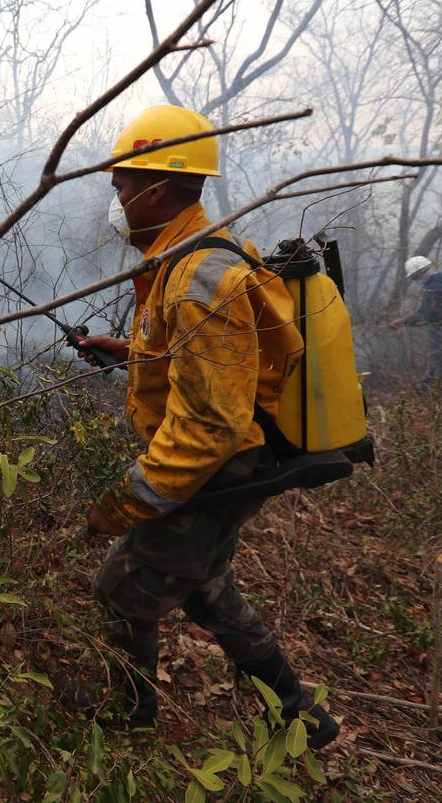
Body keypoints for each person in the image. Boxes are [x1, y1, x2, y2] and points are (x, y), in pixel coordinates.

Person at [73, 104, 340, 748]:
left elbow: (210, 424)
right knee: (206, 587)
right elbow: (210, 368)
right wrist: (128, 352)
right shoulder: (192, 253)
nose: (117, 201)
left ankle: (128, 727)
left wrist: (120, 504)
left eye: (122, 187)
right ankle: (301, 715)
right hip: (233, 460)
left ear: (157, 189)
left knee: (122, 590)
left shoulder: (197, 277)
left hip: (220, 467)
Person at [389, 256, 442, 390]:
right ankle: (423, 387)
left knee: (440, 361)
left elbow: (425, 314)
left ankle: (438, 393)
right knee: (436, 359)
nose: (417, 280)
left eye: (416, 276)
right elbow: (425, 312)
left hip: (440, 328)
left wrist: (402, 322)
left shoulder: (435, 286)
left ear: (423, 272)